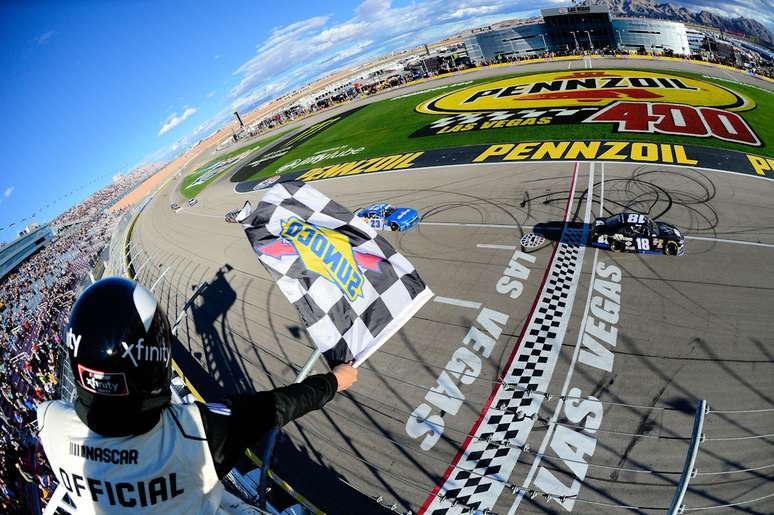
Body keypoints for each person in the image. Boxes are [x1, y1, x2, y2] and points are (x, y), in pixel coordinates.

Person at [36, 277, 357, 513]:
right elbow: (275, 406)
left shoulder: (49, 420)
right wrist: (333, 382)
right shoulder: (195, 433)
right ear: (154, 359)